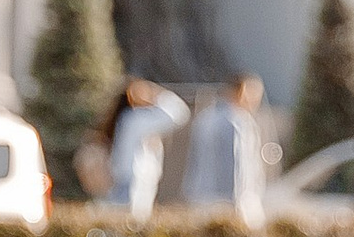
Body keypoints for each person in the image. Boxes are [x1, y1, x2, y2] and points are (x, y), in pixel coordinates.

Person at [181, 71, 268, 224]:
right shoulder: (237, 122)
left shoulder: (205, 117)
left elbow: (192, 160)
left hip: (200, 197)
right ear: (241, 92)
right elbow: (236, 165)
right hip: (230, 204)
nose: (257, 101)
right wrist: (237, 205)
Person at [106, 74, 189, 214]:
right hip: (133, 180)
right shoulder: (137, 119)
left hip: (131, 179)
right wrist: (159, 94)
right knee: (131, 222)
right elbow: (179, 113)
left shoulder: (131, 119)